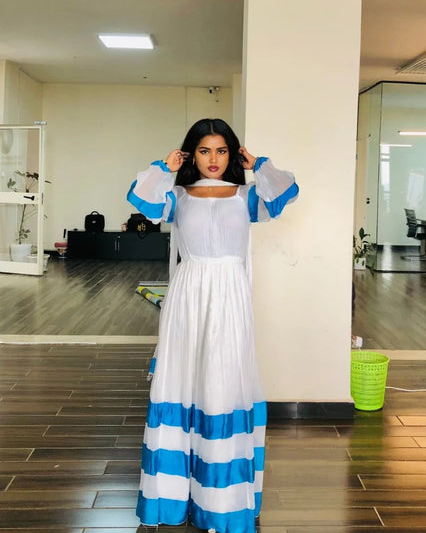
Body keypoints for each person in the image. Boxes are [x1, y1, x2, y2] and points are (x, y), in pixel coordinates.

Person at [127, 118, 299, 533]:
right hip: (187, 295)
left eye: (222, 150)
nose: (214, 159)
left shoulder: (246, 196)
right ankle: (171, 498)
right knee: (181, 381)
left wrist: (258, 164)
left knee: (222, 382)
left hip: (231, 297)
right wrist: (164, 167)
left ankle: (220, 501)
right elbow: (141, 198)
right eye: (204, 151)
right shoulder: (177, 196)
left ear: (232, 153)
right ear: (192, 154)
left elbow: (285, 189)